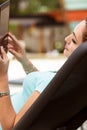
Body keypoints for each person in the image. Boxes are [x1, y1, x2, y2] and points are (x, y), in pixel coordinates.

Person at [0, 17, 87, 130]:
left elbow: (10, 127)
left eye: (74, 40)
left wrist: (2, 77)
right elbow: (44, 92)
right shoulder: (73, 81)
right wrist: (25, 61)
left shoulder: (57, 81)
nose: (66, 38)